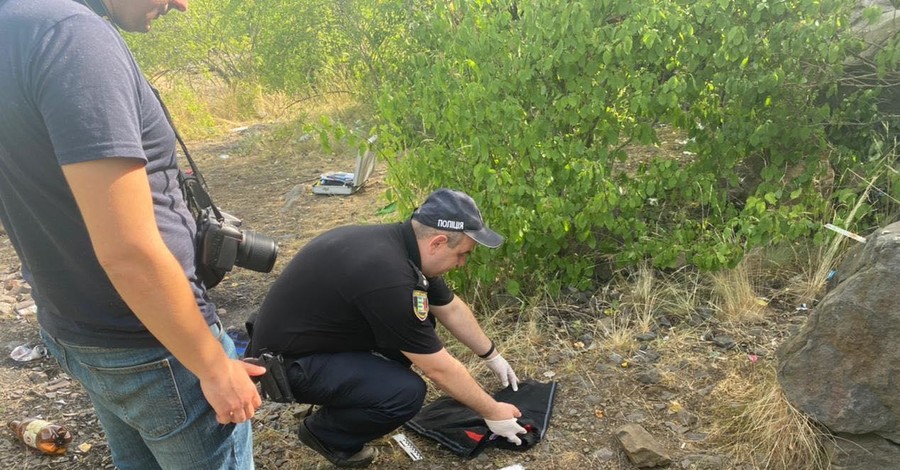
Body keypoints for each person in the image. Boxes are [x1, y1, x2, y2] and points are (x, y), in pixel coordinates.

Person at [0, 1, 265, 468]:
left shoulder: (17, 26)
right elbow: (128, 250)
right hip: (153, 341)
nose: (180, 5)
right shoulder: (73, 38)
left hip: (78, 327)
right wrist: (211, 364)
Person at [249, 188, 527, 468]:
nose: (463, 263)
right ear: (438, 243)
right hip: (284, 367)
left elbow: (450, 307)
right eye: (462, 254)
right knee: (404, 393)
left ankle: (345, 400)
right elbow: (437, 367)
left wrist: (490, 355)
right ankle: (327, 434)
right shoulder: (388, 276)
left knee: (419, 327)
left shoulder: (402, 248)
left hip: (309, 344)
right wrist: (493, 411)